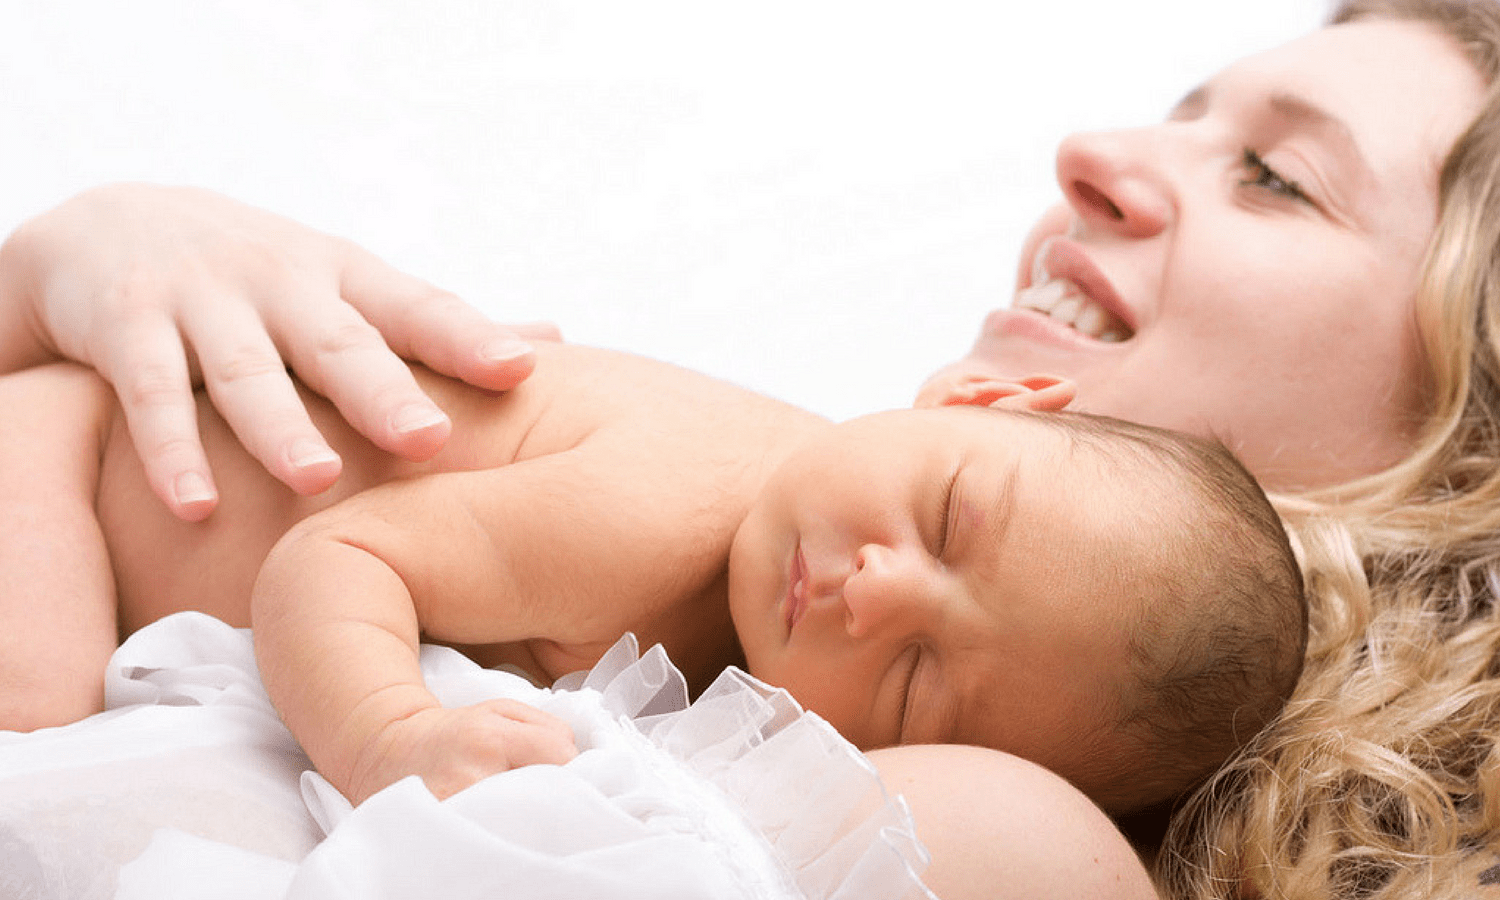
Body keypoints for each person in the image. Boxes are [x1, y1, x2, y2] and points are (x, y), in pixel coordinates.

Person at [4, 0, 1499, 896]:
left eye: (1274, 179)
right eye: (1188, 115)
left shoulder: (994, 824)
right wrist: (78, 263)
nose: (1093, 159)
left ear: (1467, 448)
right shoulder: (730, 502)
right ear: (993, 423)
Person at [0, 339, 1304, 821]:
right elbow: (332, 554)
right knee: (39, 731)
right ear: (983, 394)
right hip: (70, 453)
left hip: (135, 537)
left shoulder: (752, 623)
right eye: (948, 517)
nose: (873, 591)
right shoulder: (663, 512)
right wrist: (392, 736)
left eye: (912, 683)